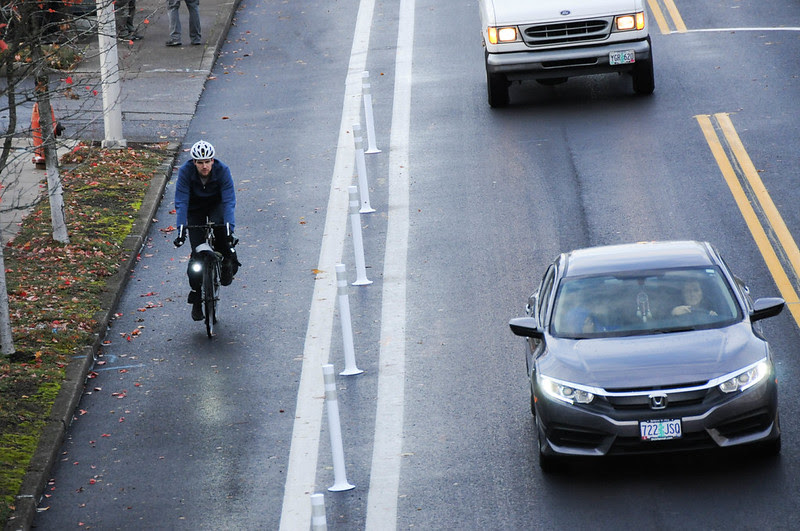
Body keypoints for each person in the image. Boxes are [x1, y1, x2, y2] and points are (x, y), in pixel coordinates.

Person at [173, 140, 240, 321]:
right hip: (195, 210)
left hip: (216, 206)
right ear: (194, 162)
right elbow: (181, 201)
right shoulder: (186, 172)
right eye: (200, 162)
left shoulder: (222, 171)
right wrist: (180, 230)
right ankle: (196, 297)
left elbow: (228, 201)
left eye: (207, 161)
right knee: (197, 256)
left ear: (212, 160)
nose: (204, 166)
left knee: (222, 237)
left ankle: (226, 262)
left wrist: (229, 228)